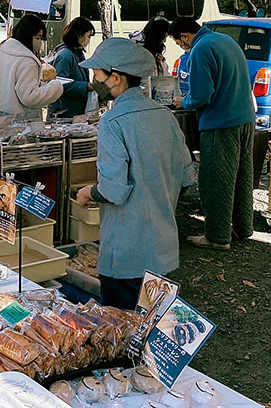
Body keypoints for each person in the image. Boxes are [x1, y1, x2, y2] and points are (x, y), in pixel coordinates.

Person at [75, 38, 195, 310]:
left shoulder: (112, 122)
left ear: (115, 78)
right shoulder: (165, 115)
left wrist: (88, 192)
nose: (93, 81)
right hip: (162, 248)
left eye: (97, 75)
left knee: (121, 331)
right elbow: (187, 176)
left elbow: (113, 190)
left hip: (126, 253)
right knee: (152, 326)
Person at [169, 17, 255, 250]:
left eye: (179, 43)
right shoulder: (225, 40)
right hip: (245, 119)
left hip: (220, 122)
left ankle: (217, 236)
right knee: (241, 177)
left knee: (217, 179)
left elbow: (201, 96)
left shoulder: (200, 49)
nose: (182, 47)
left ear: (185, 37)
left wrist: (182, 101)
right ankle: (243, 227)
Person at [0, 13, 64, 117]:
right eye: (38, 38)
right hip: (18, 123)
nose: (39, 43)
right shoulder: (27, 61)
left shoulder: (0, 52)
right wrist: (56, 87)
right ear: (28, 35)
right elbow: (30, 97)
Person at [49, 17, 95, 117]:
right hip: (63, 112)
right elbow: (60, 83)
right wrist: (86, 86)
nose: (88, 41)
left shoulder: (78, 53)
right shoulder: (65, 55)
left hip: (74, 110)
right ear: (79, 34)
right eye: (88, 37)